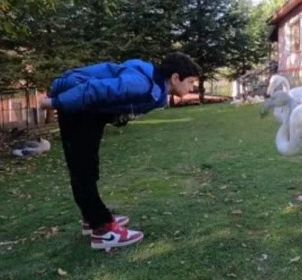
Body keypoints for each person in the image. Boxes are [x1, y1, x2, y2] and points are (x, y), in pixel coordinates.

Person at [39, 52, 201, 250]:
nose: (192, 87)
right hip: (79, 104)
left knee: (88, 166)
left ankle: (92, 217)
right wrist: (55, 103)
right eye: (190, 82)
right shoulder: (142, 83)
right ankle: (102, 229)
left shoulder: (155, 86)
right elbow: (95, 89)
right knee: (83, 168)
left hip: (89, 110)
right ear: (176, 78)